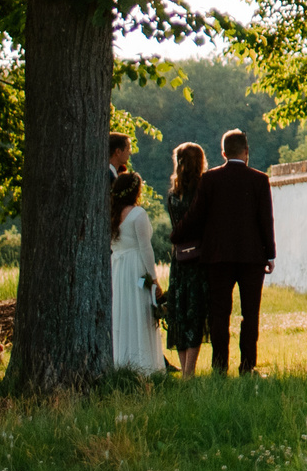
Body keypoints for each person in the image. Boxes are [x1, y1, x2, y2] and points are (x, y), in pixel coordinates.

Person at [176, 128, 275, 375]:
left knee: (219, 313)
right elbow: (266, 220)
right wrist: (270, 254)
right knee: (250, 313)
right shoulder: (259, 180)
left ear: (223, 152)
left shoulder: (210, 179)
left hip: (217, 257)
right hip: (252, 257)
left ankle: (219, 366)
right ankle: (247, 365)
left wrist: (176, 236)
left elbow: (196, 216)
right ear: (247, 152)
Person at [159, 142, 212, 377]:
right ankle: (190, 369)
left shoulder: (173, 195)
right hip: (199, 260)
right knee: (196, 312)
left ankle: (185, 371)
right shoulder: (203, 191)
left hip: (179, 259)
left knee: (180, 312)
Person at [107, 170, 168, 374]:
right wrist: (154, 278)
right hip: (136, 269)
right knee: (140, 311)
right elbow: (145, 249)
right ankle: (144, 364)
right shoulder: (138, 214)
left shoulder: (110, 214)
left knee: (122, 311)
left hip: (117, 267)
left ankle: (121, 361)